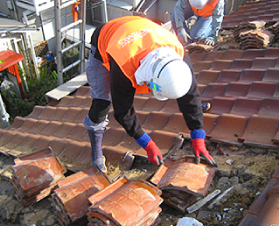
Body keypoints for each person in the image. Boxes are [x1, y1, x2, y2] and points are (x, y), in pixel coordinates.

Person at [83, 16, 217, 173]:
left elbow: (190, 96)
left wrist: (198, 136)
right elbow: (122, 110)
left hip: (138, 31)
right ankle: (96, 154)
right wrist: (147, 143)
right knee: (102, 103)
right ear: (150, 80)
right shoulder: (124, 64)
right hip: (106, 37)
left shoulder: (178, 54)